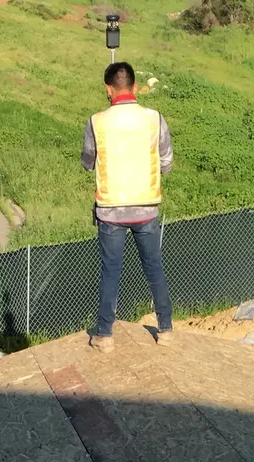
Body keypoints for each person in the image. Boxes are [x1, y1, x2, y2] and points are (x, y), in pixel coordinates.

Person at [81, 62, 174, 353]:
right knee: (154, 269)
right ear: (134, 87)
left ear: (109, 89)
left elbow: (87, 161)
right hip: (146, 206)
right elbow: (167, 162)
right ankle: (166, 329)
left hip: (110, 209)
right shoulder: (154, 118)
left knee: (110, 272)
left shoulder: (97, 121)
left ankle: (105, 335)